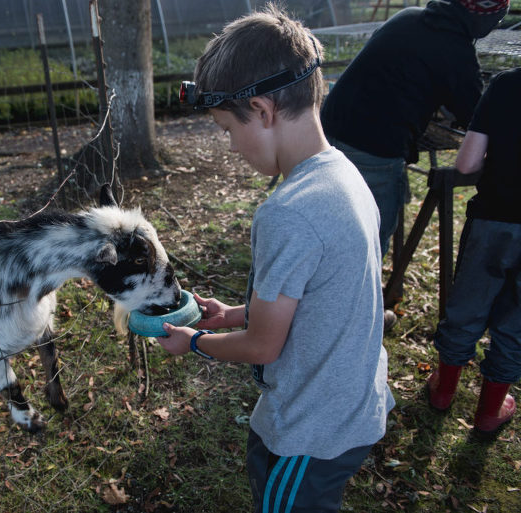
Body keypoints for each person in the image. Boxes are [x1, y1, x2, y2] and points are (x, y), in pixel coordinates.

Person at [164, 6, 395, 512]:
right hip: (351, 407)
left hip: (309, 432)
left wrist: (196, 341)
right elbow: (322, 300)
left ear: (264, 111)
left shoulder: (289, 212)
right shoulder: (346, 176)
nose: (230, 148)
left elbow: (265, 346)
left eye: (227, 129)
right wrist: (234, 315)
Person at [321, 0, 509, 258]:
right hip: (373, 145)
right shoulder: (457, 51)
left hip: (328, 130)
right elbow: (475, 116)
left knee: (328, 219)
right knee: (370, 235)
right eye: (497, 20)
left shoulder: (408, 17)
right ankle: (353, 290)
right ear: (483, 18)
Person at [427, 67, 520, 436]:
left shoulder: (507, 84)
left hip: (494, 219)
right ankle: (489, 412)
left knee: (467, 307)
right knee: (517, 326)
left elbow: (466, 163)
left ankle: (443, 391)